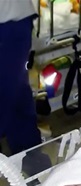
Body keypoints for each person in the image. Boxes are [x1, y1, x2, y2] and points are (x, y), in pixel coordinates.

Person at [0, 1, 42, 155]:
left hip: (9, 24)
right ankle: (32, 159)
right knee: (16, 96)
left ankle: (31, 159)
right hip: (14, 23)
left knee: (9, 95)